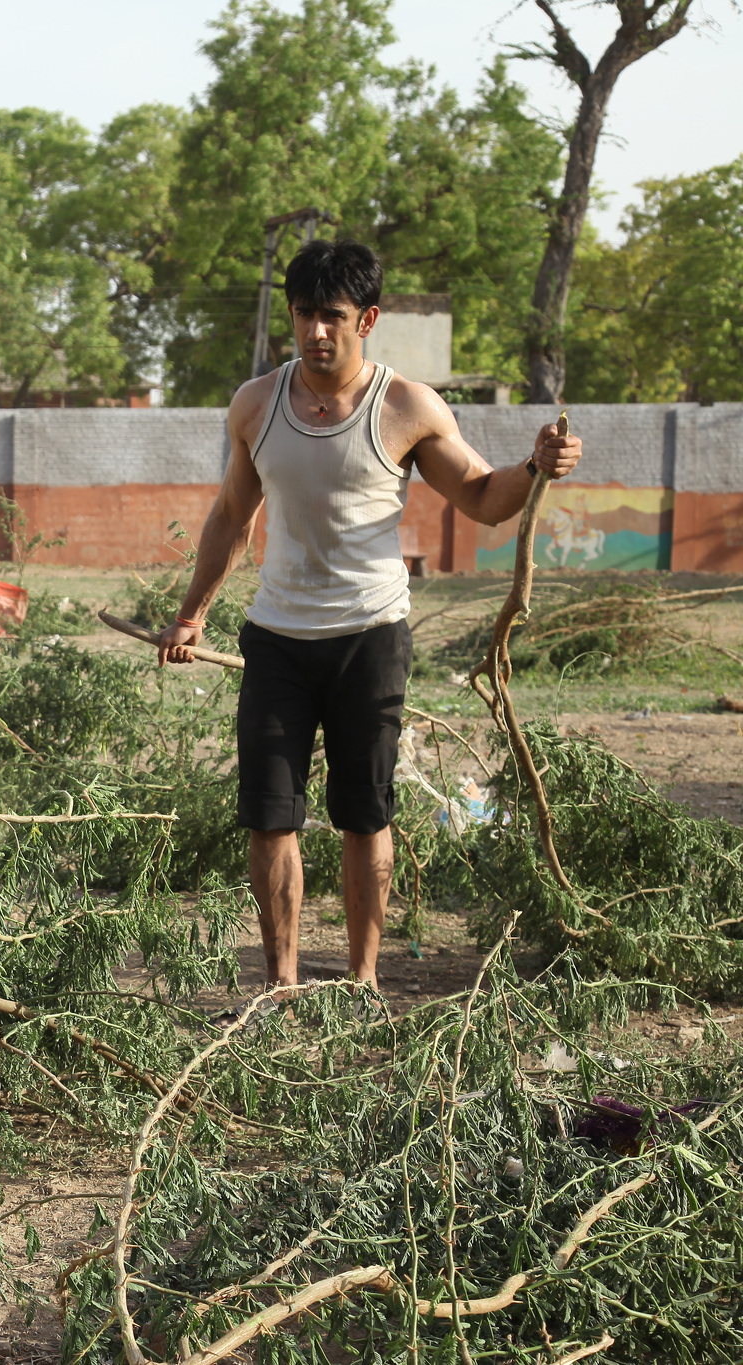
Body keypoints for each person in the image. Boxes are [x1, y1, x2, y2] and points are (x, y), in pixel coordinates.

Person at [156, 239, 580, 995]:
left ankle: (362, 981)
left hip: (371, 639)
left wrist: (533, 467)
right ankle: (282, 986)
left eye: (333, 316)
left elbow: (483, 498)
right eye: (303, 315)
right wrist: (192, 615)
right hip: (277, 639)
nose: (317, 331)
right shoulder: (256, 404)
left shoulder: (407, 406)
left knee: (363, 814)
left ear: (368, 319)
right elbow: (230, 516)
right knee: (269, 816)